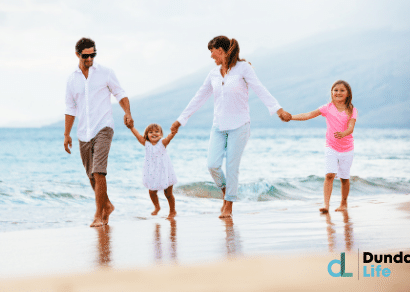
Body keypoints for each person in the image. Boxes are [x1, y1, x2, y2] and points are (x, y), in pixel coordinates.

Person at [171, 35, 291, 218]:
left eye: (212, 52)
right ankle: (226, 192)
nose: (211, 56)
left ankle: (228, 205)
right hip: (218, 126)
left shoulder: (244, 69)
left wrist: (278, 109)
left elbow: (260, 88)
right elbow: (199, 97)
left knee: (232, 166)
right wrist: (181, 119)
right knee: (212, 165)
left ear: (220, 50)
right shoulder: (213, 74)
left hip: (240, 125)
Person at [64, 37, 134, 227]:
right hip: (83, 132)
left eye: (93, 54)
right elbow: (70, 108)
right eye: (86, 55)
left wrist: (127, 112)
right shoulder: (72, 79)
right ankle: (107, 205)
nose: (90, 59)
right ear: (77, 54)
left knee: (99, 171)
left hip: (104, 126)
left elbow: (120, 93)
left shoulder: (105, 73)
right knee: (91, 175)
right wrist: (66, 134)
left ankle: (98, 214)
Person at [290, 80, 357, 213]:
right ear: (332, 92)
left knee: (344, 178)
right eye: (335, 90)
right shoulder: (327, 108)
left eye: (342, 90)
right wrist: (291, 117)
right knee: (329, 175)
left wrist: (343, 133)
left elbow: (351, 128)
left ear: (348, 93)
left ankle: (343, 203)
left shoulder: (351, 110)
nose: (338, 92)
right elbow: (308, 115)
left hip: (347, 148)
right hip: (331, 146)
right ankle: (326, 205)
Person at [128, 123, 178, 218]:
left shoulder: (162, 143)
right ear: (146, 135)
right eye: (150, 132)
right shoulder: (146, 144)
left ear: (161, 134)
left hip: (165, 172)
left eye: (157, 131)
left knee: (168, 193)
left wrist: (173, 133)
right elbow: (137, 135)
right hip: (152, 173)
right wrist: (131, 127)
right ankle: (157, 207)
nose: (154, 133)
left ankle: (172, 211)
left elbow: (169, 137)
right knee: (151, 192)